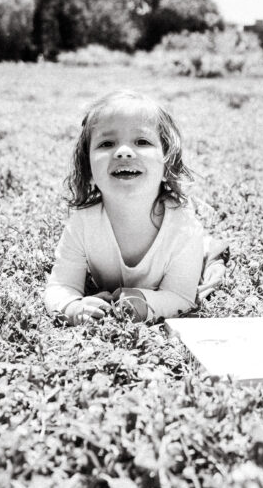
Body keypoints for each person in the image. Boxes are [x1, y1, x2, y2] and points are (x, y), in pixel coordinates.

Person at [44, 90, 227, 326]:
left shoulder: (183, 228)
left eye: (142, 141)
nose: (123, 151)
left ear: (167, 164)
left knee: (206, 261)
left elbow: (181, 297)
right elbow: (60, 285)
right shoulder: (83, 223)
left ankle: (209, 250)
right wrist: (71, 307)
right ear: (88, 170)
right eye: (107, 143)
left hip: (190, 250)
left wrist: (144, 302)